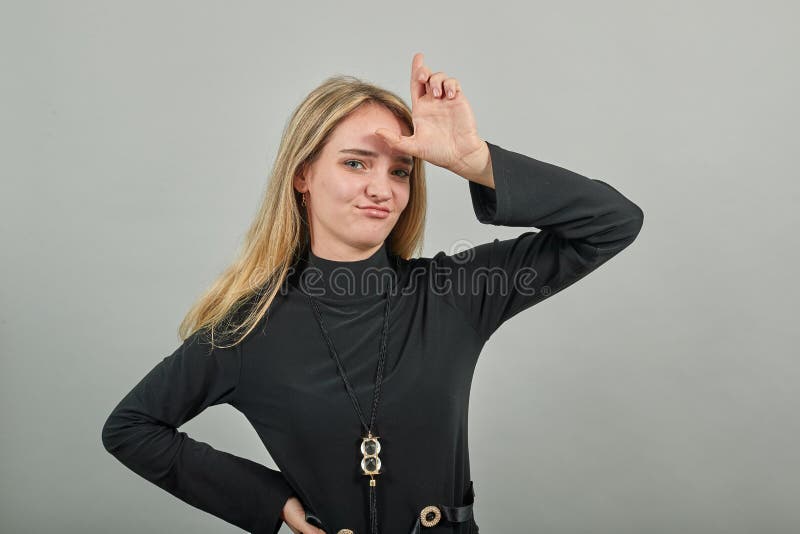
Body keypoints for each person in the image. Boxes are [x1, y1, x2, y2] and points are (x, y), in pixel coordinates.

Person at [101, 52, 644, 534]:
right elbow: (131, 428)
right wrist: (274, 503)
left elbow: (614, 222)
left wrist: (471, 158)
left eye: (401, 171)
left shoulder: (455, 292)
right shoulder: (247, 328)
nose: (382, 189)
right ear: (303, 175)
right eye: (356, 162)